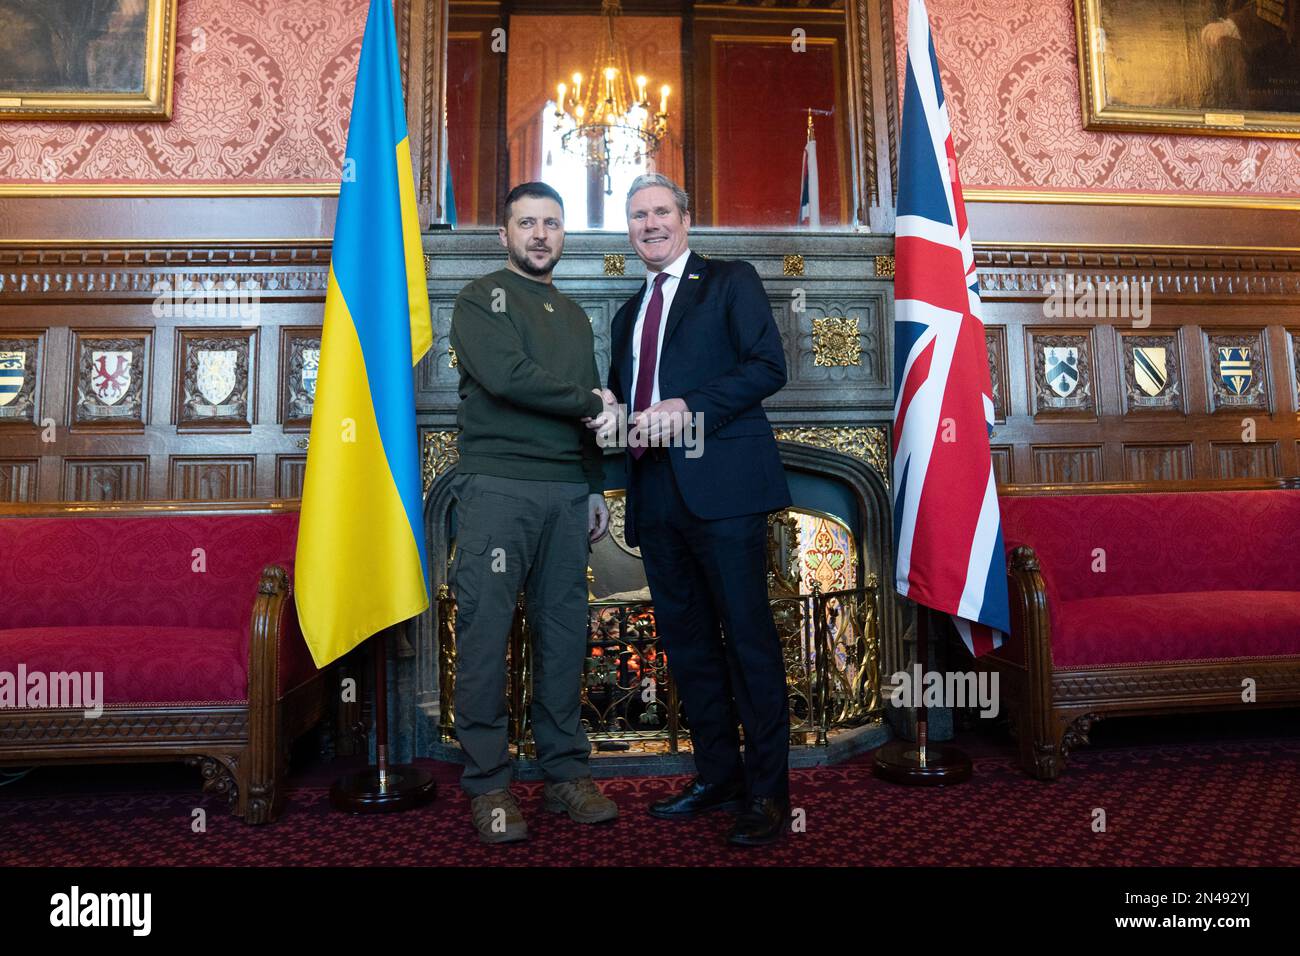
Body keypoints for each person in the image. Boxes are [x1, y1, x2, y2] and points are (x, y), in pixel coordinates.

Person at [592, 173, 794, 846]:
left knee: (750, 644)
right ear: (629, 230)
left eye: (660, 212)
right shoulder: (627, 314)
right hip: (655, 498)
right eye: (637, 216)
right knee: (689, 647)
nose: (649, 224)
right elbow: (627, 399)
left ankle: (767, 795)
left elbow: (769, 366)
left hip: (727, 494)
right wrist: (613, 416)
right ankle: (718, 777)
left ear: (684, 218)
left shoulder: (731, 280)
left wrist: (688, 408)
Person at [448, 181, 619, 844]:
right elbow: (508, 377)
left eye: (552, 223)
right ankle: (489, 785)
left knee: (563, 633)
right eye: (527, 223)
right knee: (487, 633)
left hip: (565, 493)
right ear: (505, 234)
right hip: (499, 487)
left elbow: (584, 423)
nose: (541, 234)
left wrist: (596, 488)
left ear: (563, 233)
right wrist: (591, 400)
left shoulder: (575, 316)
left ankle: (565, 774)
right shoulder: (479, 298)